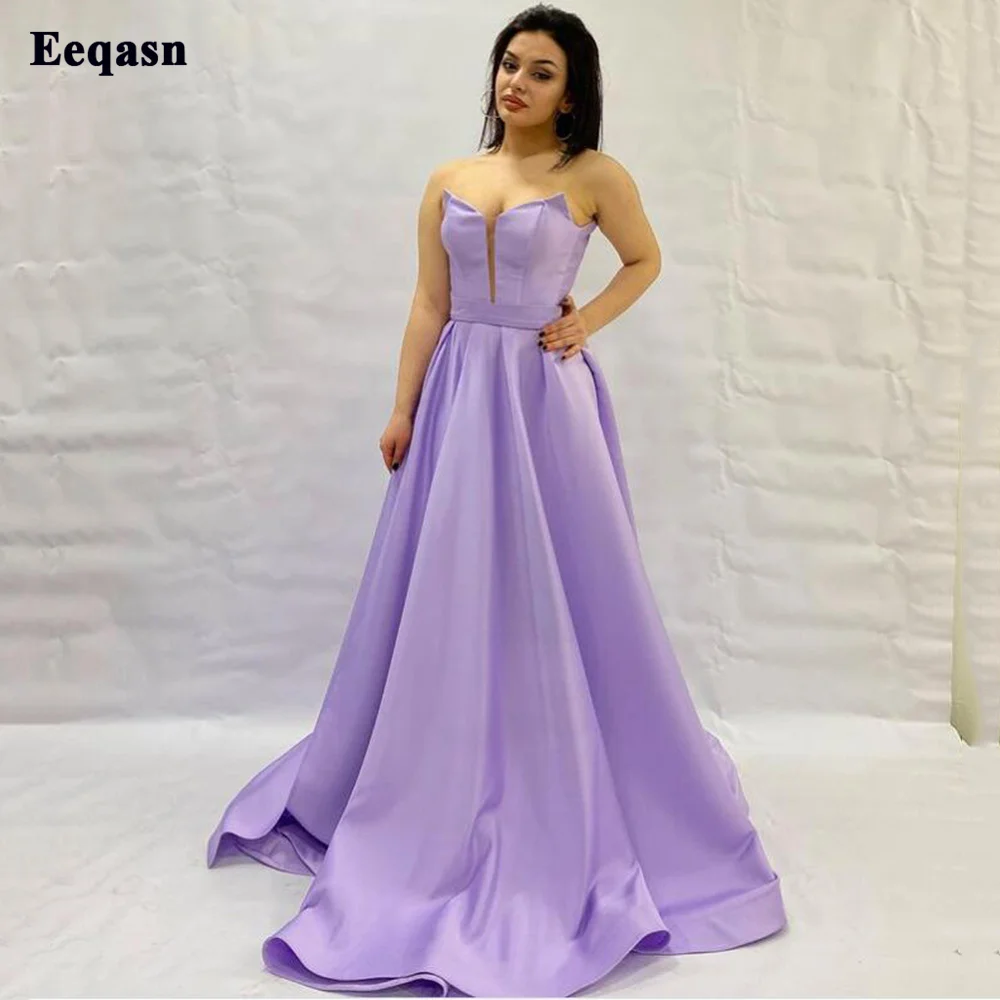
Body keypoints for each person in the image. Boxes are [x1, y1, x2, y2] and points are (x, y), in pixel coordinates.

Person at [206, 5, 787, 996]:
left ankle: (576, 778)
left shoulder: (594, 176)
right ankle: (428, 774)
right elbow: (430, 302)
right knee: (449, 580)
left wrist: (584, 322)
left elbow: (645, 260)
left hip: (543, 399)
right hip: (458, 399)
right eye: (509, 64)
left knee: (568, 582)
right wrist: (402, 408)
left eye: (541, 71)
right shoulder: (448, 178)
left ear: (572, 90)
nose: (516, 82)